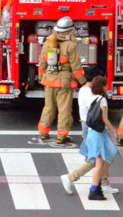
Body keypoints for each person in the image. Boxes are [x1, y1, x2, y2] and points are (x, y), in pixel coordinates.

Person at [61, 67, 117, 194]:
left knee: (104, 154)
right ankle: (71, 177)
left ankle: (103, 183)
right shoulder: (91, 93)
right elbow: (93, 112)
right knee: (96, 158)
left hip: (88, 125)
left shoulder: (83, 90)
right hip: (94, 127)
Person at [36, 16, 87, 144]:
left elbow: (42, 63)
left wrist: (41, 77)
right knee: (64, 109)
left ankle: (43, 132)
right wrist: (83, 82)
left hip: (49, 79)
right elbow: (76, 67)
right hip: (64, 81)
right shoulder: (71, 45)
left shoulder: (48, 43)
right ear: (70, 30)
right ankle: (61, 136)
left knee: (48, 107)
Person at [79, 75, 119, 201]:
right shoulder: (102, 100)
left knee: (108, 156)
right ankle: (94, 189)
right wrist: (114, 130)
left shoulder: (91, 99)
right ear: (102, 87)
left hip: (92, 132)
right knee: (100, 163)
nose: (107, 87)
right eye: (106, 85)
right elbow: (104, 119)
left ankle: (97, 187)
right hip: (98, 133)